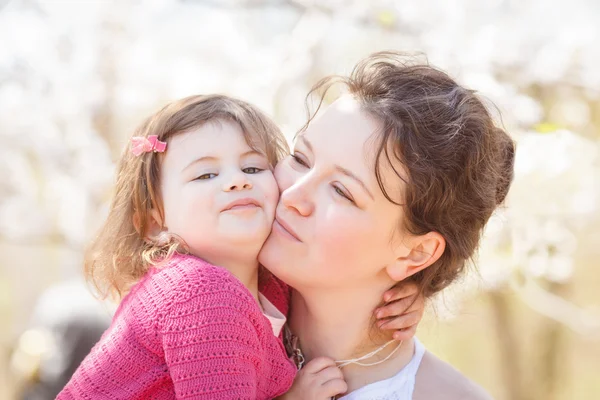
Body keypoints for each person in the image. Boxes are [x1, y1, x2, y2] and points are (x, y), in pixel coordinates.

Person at [57, 94, 420, 399]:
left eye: (252, 168)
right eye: (205, 175)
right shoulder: (200, 294)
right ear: (154, 221)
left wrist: (402, 296)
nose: (235, 182)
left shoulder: (268, 286)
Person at [260, 52, 515, 399]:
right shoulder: (212, 296)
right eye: (301, 158)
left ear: (415, 252)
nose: (292, 194)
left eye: (341, 191)